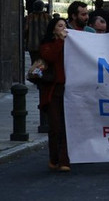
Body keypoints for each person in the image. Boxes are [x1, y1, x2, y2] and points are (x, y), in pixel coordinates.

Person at [39, 17, 71, 172]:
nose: (63, 28)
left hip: (70, 89)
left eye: (65, 26)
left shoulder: (72, 45)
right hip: (54, 91)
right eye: (60, 26)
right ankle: (54, 158)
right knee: (55, 127)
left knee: (68, 127)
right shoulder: (47, 45)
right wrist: (60, 41)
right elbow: (50, 57)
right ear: (53, 30)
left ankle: (65, 160)